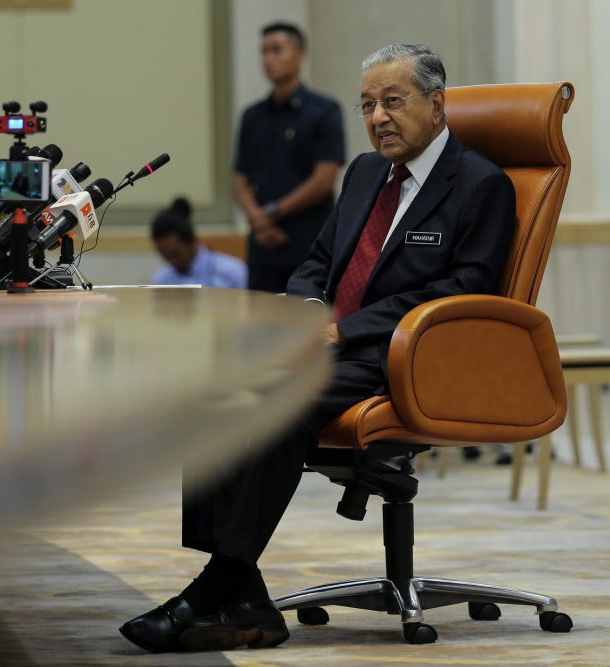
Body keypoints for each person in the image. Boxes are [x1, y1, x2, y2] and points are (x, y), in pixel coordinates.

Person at [121, 43, 516, 653]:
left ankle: (210, 591)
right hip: (332, 347)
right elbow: (318, 264)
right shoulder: (363, 173)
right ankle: (247, 599)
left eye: (392, 101)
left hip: (406, 357)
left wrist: (345, 330)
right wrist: (308, 312)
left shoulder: (480, 184)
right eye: (367, 105)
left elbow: (462, 288)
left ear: (436, 105)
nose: (378, 117)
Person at [234, 22, 345, 293]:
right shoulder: (252, 116)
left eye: (277, 50)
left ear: (300, 56)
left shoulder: (324, 111)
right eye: (264, 52)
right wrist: (257, 219)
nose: (268, 59)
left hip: (309, 241)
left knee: (308, 325)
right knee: (260, 324)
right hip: (262, 243)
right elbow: (240, 177)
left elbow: (324, 178)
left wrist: (272, 212)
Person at [149, 197, 247, 288]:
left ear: (192, 240)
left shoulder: (233, 273)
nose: (171, 262)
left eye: (175, 254)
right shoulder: (161, 280)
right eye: (165, 256)